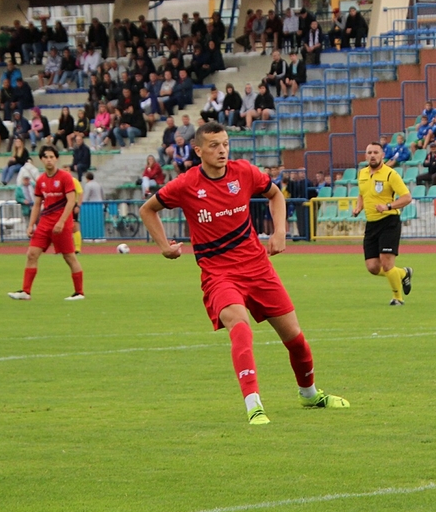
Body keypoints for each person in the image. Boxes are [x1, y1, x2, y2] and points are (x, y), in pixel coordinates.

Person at [140, 121, 350, 425]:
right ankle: (254, 405)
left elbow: (275, 194)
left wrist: (280, 233)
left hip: (258, 268)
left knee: (295, 338)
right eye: (213, 145)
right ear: (198, 151)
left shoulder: (245, 172)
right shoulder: (186, 184)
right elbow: (148, 208)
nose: (222, 150)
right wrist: (164, 246)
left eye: (225, 143)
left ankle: (310, 394)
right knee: (240, 327)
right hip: (218, 274)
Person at [8, 146, 85, 302]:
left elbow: (71, 201)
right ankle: (26, 291)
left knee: (69, 257)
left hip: (61, 224)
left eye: (51, 156)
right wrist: (31, 225)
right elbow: (37, 204)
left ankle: (79, 293)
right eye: (46, 157)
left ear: (56, 158)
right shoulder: (41, 180)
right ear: (42, 160)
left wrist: (62, 221)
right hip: (44, 223)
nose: (49, 159)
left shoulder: (65, 177)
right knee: (31, 254)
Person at [354, 142, 413, 306]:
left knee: (387, 264)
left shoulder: (390, 174)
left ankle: (398, 298)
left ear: (382, 155)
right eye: (369, 152)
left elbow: (406, 197)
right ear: (365, 156)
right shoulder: (362, 173)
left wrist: (388, 206)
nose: (372, 155)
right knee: (372, 267)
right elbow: (362, 193)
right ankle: (403, 273)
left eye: (376, 152)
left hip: (389, 222)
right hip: (371, 224)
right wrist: (359, 207)